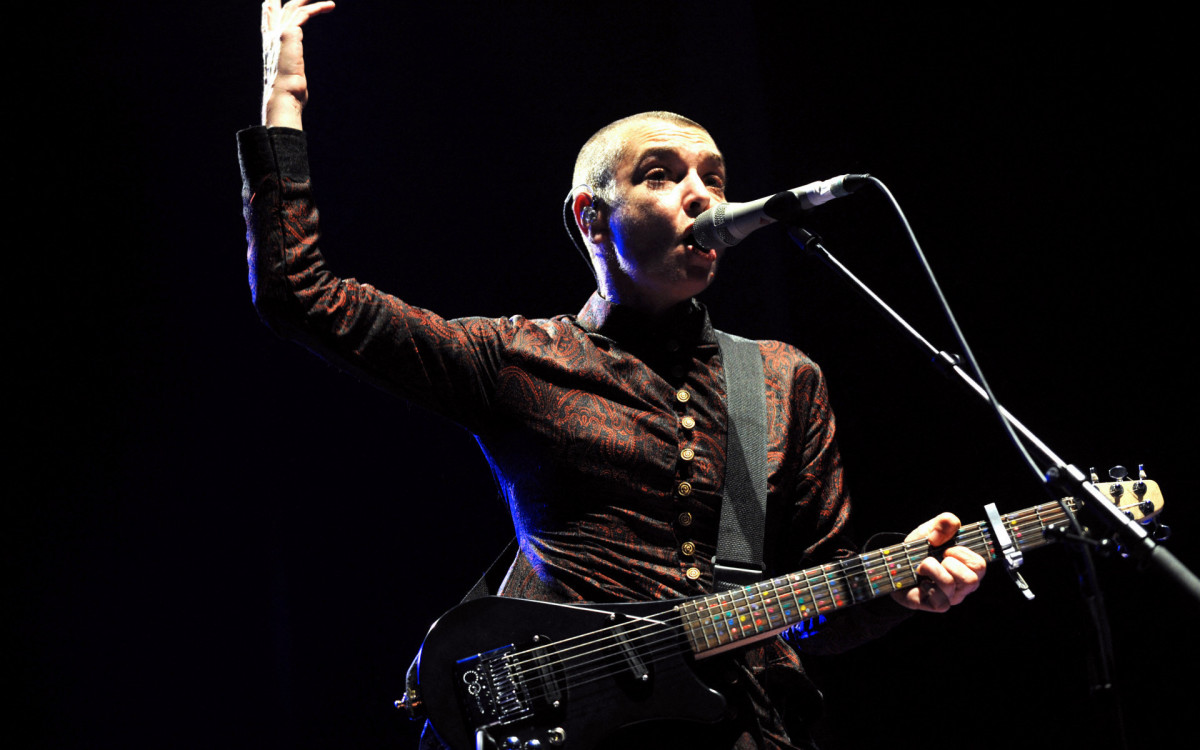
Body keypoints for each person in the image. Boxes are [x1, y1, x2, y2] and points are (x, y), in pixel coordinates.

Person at [241, 2, 986, 748]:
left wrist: (903, 590)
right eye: (661, 176)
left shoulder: (783, 378)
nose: (702, 195)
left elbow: (820, 606)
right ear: (591, 219)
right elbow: (301, 295)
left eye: (715, 178)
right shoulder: (521, 359)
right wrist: (285, 97)